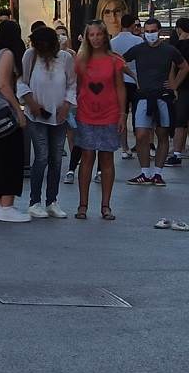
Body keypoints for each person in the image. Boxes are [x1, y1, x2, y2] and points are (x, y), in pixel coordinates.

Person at [17, 26, 76, 218]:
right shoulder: (30, 56)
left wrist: (67, 106)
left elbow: (72, 84)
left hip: (60, 116)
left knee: (56, 159)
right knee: (41, 157)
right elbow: (21, 81)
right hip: (37, 115)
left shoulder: (65, 58)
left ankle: (52, 201)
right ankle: (35, 202)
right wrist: (32, 103)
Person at [122, 18, 188, 186]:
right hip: (144, 96)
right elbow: (120, 62)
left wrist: (174, 84)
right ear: (144, 32)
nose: (150, 34)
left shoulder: (169, 50)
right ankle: (145, 172)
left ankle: (157, 173)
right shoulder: (138, 49)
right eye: (147, 31)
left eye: (153, 31)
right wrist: (133, 76)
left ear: (159, 31)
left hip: (163, 97)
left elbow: (184, 66)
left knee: (162, 134)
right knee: (141, 134)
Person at [73, 20, 126, 220]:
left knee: (106, 158)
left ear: (105, 36)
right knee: (86, 157)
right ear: (87, 37)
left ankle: (106, 205)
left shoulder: (115, 60)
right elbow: (76, 86)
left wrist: (122, 114)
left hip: (110, 114)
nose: (95, 38)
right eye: (91, 35)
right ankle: (82, 205)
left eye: (98, 34)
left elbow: (120, 87)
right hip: (86, 113)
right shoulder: (80, 61)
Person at [0, 20, 30, 222]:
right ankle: (7, 205)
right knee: (11, 159)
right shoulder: (8, 54)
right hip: (4, 112)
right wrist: (18, 110)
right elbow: (3, 84)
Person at [109, 13, 143, 161]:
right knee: (138, 113)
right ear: (132, 25)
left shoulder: (113, 42)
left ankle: (124, 148)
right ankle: (139, 143)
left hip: (119, 80)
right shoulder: (138, 41)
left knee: (122, 114)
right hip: (135, 80)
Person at [166, 17, 189, 166]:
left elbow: (174, 67)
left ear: (179, 29)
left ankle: (176, 153)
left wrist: (174, 84)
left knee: (180, 122)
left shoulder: (178, 46)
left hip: (184, 88)